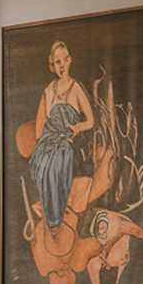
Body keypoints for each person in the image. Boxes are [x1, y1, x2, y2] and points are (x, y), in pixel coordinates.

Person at [27, 40, 94, 231]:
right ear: (52, 65)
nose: (62, 65)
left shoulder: (76, 88)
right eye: (58, 62)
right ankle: (47, 212)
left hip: (69, 138)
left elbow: (91, 121)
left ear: (70, 60)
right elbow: (41, 125)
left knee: (61, 156)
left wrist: (78, 128)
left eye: (65, 60)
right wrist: (42, 144)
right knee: (41, 160)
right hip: (49, 138)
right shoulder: (48, 91)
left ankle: (56, 218)